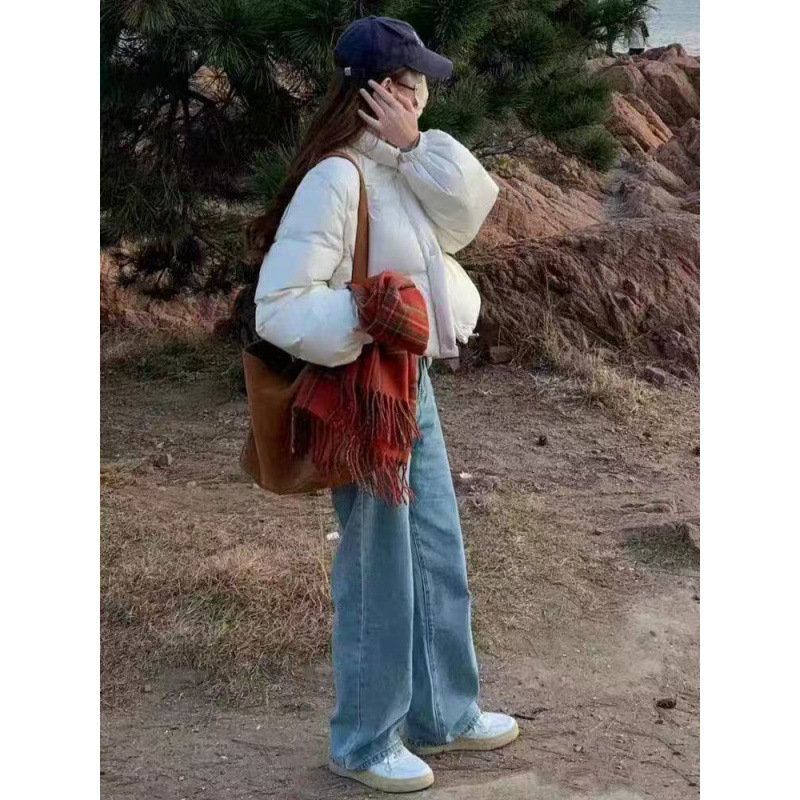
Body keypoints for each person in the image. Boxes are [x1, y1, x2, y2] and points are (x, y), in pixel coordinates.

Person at [250, 15, 518, 794]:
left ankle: (444, 713)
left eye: (422, 85)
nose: (421, 96)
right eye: (406, 84)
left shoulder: (399, 167)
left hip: (410, 386)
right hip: (362, 394)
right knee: (379, 566)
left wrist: (414, 146)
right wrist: (370, 315)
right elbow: (278, 306)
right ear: (373, 91)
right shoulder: (337, 179)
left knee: (435, 548)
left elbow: (467, 217)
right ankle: (365, 741)